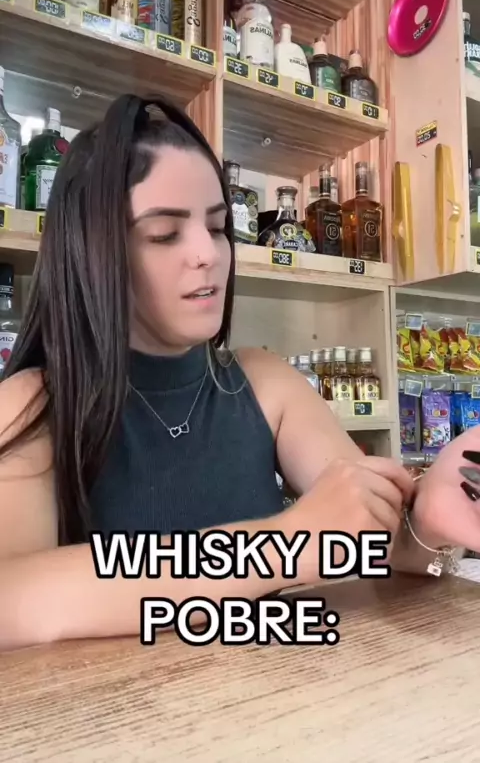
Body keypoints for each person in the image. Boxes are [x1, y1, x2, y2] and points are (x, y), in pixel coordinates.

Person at [0, 93, 478, 652]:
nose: (208, 253)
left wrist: (428, 523)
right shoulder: (32, 406)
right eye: (165, 233)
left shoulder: (266, 383)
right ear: (91, 252)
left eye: (218, 227)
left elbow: (367, 539)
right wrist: (279, 545)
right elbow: (12, 598)